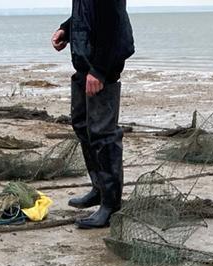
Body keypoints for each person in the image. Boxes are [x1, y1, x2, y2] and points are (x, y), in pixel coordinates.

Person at [51, 0, 135, 229]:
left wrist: (99, 70)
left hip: (103, 68)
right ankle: (99, 189)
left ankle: (111, 204)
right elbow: (86, 15)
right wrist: (66, 29)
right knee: (81, 124)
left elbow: (112, 25)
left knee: (103, 134)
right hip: (84, 65)